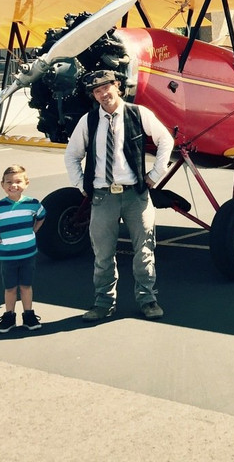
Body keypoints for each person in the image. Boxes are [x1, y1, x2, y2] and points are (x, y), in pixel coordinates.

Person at [64, 69, 174, 322]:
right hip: (103, 197)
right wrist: (81, 184)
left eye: (106, 87)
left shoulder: (138, 114)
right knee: (103, 254)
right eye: (97, 91)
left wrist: (156, 174)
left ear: (117, 86)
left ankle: (147, 299)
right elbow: (72, 155)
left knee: (145, 250)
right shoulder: (89, 121)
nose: (103, 94)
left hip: (136, 195)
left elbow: (165, 140)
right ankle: (103, 303)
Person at [0, 165, 47, 333]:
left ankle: (28, 315)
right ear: (2, 185)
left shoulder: (33, 204)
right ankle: (9, 316)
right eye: (8, 182)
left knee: (26, 286)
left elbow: (42, 216)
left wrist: (34, 230)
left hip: (28, 254)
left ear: (26, 183)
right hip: (8, 256)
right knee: (10, 288)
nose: (13, 185)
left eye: (18, 181)